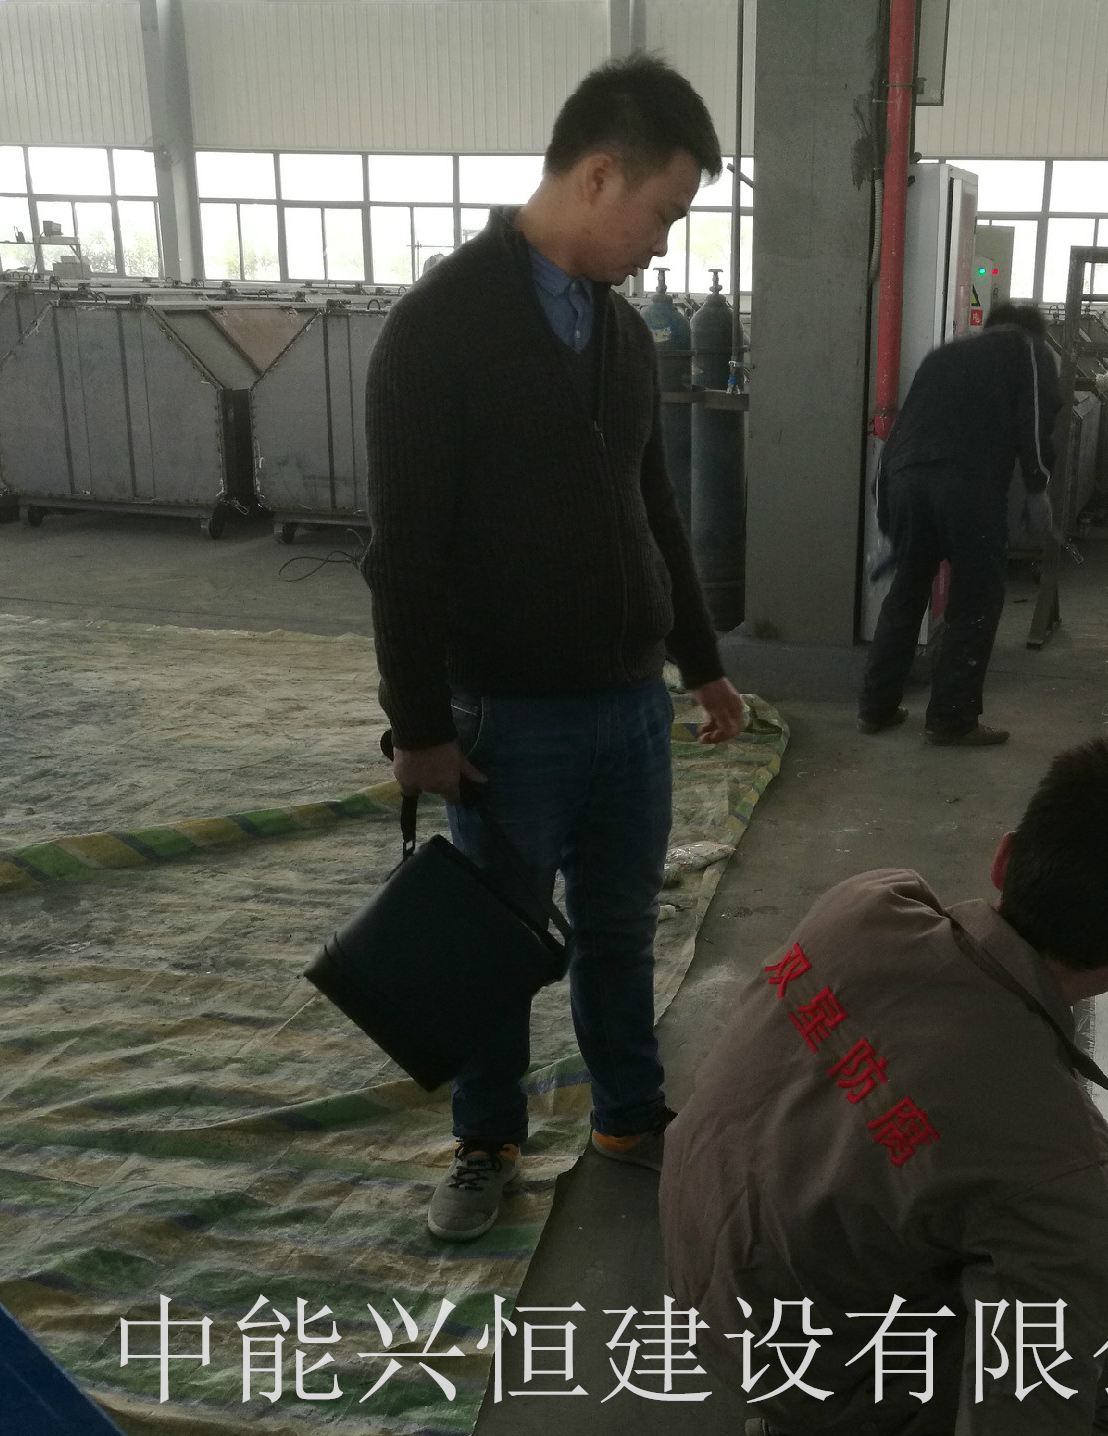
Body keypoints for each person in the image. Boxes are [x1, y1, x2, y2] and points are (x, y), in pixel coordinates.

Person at [360, 54, 748, 1244]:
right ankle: (487, 1140)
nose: (662, 245)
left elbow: (653, 506)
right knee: (496, 938)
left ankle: (628, 1114)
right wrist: (421, 726)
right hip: (508, 714)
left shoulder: (623, 336)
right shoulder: (439, 329)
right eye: (662, 213)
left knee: (620, 926)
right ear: (597, 175)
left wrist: (701, 662)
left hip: (628, 705)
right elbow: (404, 549)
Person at [661, 737, 1108, 1436]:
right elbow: (1025, 1433)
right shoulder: (1057, 1158)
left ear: (1004, 857)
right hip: (801, 1365)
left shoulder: (863, 906)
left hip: (690, 1266)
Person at [859, 301, 1063, 746]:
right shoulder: (1028, 350)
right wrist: (1037, 485)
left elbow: (900, 436)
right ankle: (951, 719)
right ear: (1033, 332)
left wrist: (887, 521)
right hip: (967, 487)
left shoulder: (943, 356)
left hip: (904, 482)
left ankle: (876, 707)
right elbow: (1036, 422)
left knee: (906, 592)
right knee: (975, 598)